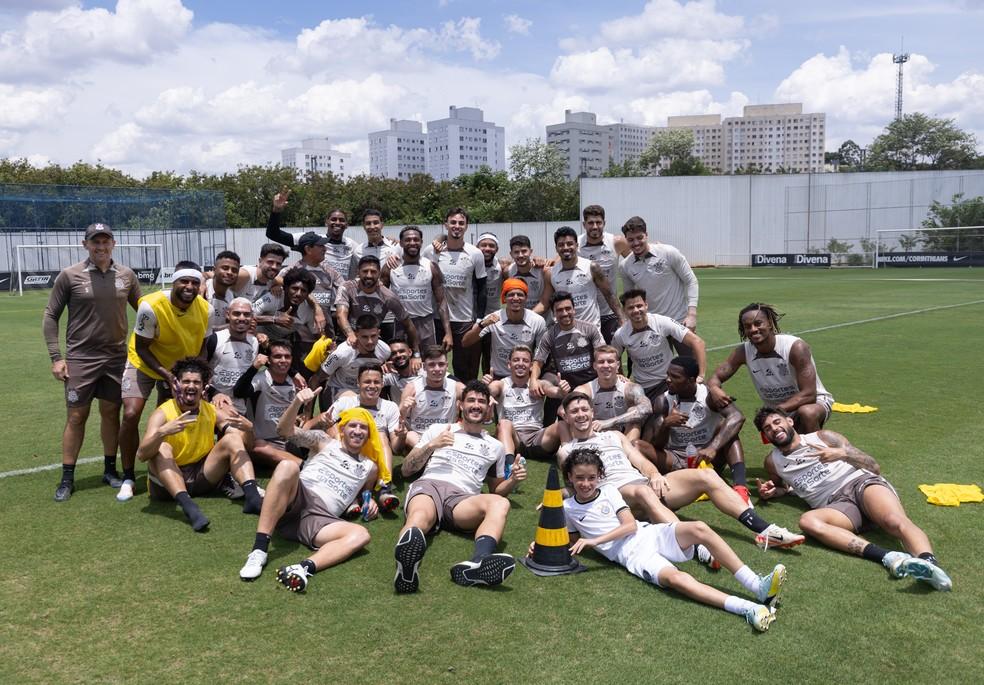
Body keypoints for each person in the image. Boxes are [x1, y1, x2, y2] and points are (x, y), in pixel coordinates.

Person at [549, 448, 786, 632]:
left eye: (592, 477)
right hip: (633, 556)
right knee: (677, 579)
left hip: (647, 533)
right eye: (580, 478)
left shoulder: (610, 491)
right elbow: (569, 540)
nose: (586, 483)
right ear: (569, 477)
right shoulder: (567, 508)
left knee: (699, 529)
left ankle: (757, 586)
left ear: (599, 476)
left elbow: (630, 525)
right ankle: (749, 609)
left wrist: (594, 541)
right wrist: (541, 546)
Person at [559, 393, 805, 549]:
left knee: (707, 475)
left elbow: (640, 461)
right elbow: (576, 487)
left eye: (584, 409)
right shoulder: (566, 450)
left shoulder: (613, 435)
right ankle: (698, 548)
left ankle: (765, 530)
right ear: (566, 417)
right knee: (641, 491)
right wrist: (559, 496)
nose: (581, 415)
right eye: (574, 411)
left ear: (593, 412)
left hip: (646, 485)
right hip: (620, 500)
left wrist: (655, 475)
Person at [754, 407, 952, 590]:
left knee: (893, 521)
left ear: (790, 421)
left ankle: (929, 564)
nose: (774, 429)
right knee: (808, 521)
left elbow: (873, 466)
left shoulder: (824, 437)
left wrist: (842, 453)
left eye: (777, 422)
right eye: (768, 428)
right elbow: (784, 487)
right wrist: (772, 492)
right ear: (766, 435)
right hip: (836, 505)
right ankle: (889, 557)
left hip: (860, 483)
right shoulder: (773, 462)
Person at [238, 387, 380, 591]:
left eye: (363, 428)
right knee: (288, 466)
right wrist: (297, 402)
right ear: (343, 429)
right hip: (299, 495)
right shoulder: (324, 441)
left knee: (361, 535)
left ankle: (302, 568)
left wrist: (370, 499)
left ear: (369, 435)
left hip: (320, 519)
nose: (358, 431)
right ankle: (259, 550)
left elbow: (365, 493)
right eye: (353, 425)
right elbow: (284, 432)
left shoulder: (369, 467)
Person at [394, 380, 526, 593]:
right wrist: (431, 446)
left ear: (488, 408)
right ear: (460, 406)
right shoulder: (439, 429)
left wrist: (513, 481)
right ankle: (407, 568)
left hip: (463, 499)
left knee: (500, 503)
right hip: (430, 486)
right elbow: (408, 469)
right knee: (419, 517)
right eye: (471, 400)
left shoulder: (495, 447)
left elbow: (496, 490)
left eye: (481, 402)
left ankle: (478, 563)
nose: (476, 405)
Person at [43, 223, 142, 501]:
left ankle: (110, 470)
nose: (101, 247)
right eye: (95, 242)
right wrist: (56, 357)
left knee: (111, 413)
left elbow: (145, 311)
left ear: (114, 243)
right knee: (76, 416)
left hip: (116, 358)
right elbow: (51, 316)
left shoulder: (126, 276)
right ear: (85, 244)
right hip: (81, 358)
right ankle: (67, 478)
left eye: (105, 242)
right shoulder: (70, 275)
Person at [119, 261, 210, 502]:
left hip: (179, 368)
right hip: (144, 362)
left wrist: (197, 377)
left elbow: (202, 346)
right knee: (131, 413)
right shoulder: (150, 305)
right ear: (173, 283)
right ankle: (128, 476)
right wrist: (167, 376)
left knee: (175, 420)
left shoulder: (205, 309)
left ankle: (168, 471)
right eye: (184, 281)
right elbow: (142, 347)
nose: (189, 287)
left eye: (194, 282)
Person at [136, 358, 262, 531]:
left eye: (196, 382)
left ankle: (253, 499)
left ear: (204, 387)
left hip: (201, 478)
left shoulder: (211, 410)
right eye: (186, 381)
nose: (191, 386)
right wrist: (163, 432)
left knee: (232, 439)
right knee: (162, 447)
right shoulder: (162, 413)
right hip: (165, 486)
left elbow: (244, 446)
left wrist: (249, 430)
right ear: (177, 384)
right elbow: (142, 455)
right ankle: (190, 508)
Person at [708, 303, 834, 433]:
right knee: (788, 450)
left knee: (807, 413)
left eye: (758, 323)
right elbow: (716, 377)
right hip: (778, 410)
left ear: (770, 324)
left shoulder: (795, 347)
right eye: (747, 326)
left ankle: (815, 450)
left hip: (812, 403)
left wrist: (773, 412)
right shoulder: (743, 351)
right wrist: (714, 388)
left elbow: (809, 394)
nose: (753, 329)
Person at [649, 356, 752, 505]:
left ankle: (740, 488)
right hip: (677, 458)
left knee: (730, 432)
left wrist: (712, 447)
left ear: (691, 380)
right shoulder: (662, 401)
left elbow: (737, 417)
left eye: (675, 377)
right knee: (639, 446)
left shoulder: (709, 396)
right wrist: (666, 424)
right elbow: (656, 446)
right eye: (668, 375)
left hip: (706, 458)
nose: (668, 380)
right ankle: (657, 481)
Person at [421, 208, 486, 380]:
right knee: (435, 366)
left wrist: (479, 319)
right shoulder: (430, 251)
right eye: (453, 222)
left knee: (465, 370)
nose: (456, 226)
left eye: (461, 223)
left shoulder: (475, 254)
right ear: (446, 224)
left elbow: (482, 288)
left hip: (464, 320)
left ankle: (467, 404)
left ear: (466, 227)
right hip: (437, 319)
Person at [618, 216, 699, 355]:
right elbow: (630, 298)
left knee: (690, 369)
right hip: (653, 326)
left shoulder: (668, 252)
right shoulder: (625, 266)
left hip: (679, 322)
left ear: (647, 235)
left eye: (640, 237)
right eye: (631, 240)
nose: (636, 243)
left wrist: (691, 314)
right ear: (626, 240)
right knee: (659, 373)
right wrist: (627, 321)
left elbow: (691, 281)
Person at [612, 289, 707, 407]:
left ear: (646, 305)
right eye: (631, 308)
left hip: (668, 381)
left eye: (639, 306)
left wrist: (701, 375)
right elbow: (612, 356)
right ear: (624, 311)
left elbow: (698, 342)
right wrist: (618, 374)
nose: (636, 310)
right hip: (644, 386)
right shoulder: (621, 334)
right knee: (649, 420)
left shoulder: (662, 322)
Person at [324, 365, 401, 508]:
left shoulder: (390, 407)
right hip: (349, 455)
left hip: (375, 457)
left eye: (377, 382)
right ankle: (353, 496)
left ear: (382, 383)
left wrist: (401, 436)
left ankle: (385, 488)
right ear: (358, 383)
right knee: (334, 429)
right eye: (367, 382)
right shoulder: (346, 402)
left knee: (382, 435)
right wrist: (330, 426)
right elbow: (327, 424)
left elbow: (396, 447)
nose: (372, 386)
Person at [489, 345, 569, 462]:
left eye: (525, 361)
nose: (520, 363)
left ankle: (571, 462)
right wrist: (486, 391)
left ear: (531, 366)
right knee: (504, 423)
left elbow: (554, 391)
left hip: (537, 437)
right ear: (509, 364)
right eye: (516, 360)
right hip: (513, 438)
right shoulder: (501, 384)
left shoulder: (538, 384)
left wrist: (562, 390)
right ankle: (509, 466)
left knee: (562, 425)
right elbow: (491, 389)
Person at [535, 226, 621, 330]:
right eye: (561, 245)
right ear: (556, 248)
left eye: (570, 244)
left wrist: (622, 319)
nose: (566, 247)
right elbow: (545, 303)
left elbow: (609, 295)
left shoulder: (592, 267)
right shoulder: (551, 273)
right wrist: (527, 315)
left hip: (591, 330)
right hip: (564, 330)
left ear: (577, 245)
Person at [381, 225, 452, 351]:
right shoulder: (390, 267)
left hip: (426, 325)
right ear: (401, 243)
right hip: (400, 324)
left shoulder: (431, 267)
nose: (412, 243)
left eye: (416, 239)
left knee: (428, 365)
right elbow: (381, 299)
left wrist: (448, 332)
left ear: (421, 242)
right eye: (408, 240)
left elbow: (441, 301)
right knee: (402, 365)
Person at [461, 278, 546, 380]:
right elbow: (465, 342)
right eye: (510, 295)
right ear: (504, 298)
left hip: (524, 376)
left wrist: (533, 378)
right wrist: (482, 325)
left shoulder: (537, 321)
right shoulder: (493, 318)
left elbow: (541, 353)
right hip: (498, 376)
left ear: (526, 298)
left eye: (520, 294)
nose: (515, 298)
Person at [233, 341, 301, 466]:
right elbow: (238, 392)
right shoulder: (260, 379)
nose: (283, 360)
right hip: (263, 442)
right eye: (277, 356)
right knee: (260, 448)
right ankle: (302, 465)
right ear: (268, 360)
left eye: (287, 357)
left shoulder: (295, 381)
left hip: (288, 439)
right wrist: (254, 367)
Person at [265, 189, 359, 279]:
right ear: (326, 222)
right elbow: (273, 234)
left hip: (339, 293)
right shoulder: (314, 240)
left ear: (347, 225)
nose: (337, 222)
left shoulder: (352, 245)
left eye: (342, 220)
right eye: (333, 219)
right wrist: (276, 210)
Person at [336, 255, 419, 355]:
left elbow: (409, 324)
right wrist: (350, 334)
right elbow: (341, 315)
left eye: (373, 272)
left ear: (379, 273)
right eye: (365, 271)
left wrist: (416, 354)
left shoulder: (388, 296)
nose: (369, 275)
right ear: (358, 272)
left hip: (372, 341)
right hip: (348, 338)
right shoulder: (347, 287)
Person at [572, 345, 652, 443]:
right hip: (595, 434)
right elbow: (565, 410)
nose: (606, 365)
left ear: (618, 365)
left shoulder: (630, 388)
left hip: (623, 436)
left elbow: (646, 408)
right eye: (601, 362)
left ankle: (626, 453)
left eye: (610, 361)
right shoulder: (585, 389)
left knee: (634, 416)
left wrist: (609, 422)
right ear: (594, 366)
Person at [531, 291, 605, 393]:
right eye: (560, 310)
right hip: (566, 387)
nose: (565, 313)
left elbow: (603, 354)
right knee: (545, 386)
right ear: (554, 313)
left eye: (568, 308)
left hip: (591, 383)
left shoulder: (589, 329)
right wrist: (533, 380)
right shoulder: (549, 336)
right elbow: (538, 361)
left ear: (574, 310)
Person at [252, 266, 321, 375]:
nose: (298, 293)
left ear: (308, 294)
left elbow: (319, 336)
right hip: (253, 340)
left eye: (303, 291)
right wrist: (275, 319)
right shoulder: (273, 297)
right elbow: (246, 318)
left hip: (276, 348)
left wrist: (328, 345)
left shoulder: (307, 311)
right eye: (294, 288)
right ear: (286, 288)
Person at [577, 205, 629, 342]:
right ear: (584, 225)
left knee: (611, 356)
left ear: (604, 223)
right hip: (585, 314)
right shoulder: (575, 245)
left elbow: (638, 256)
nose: (595, 226)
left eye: (598, 222)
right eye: (590, 223)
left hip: (610, 312)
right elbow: (555, 262)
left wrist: (656, 247)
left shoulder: (616, 242)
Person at [398, 345, 464, 451]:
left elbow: (475, 398)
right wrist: (404, 408)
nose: (437, 369)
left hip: (445, 436)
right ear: (424, 367)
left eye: (441, 364)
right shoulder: (412, 387)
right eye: (432, 365)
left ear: (447, 366)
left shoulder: (456, 386)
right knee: (410, 436)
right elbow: (400, 418)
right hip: (420, 438)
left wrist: (487, 396)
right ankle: (427, 454)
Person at [203, 297, 259, 415]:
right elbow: (200, 371)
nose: (242, 318)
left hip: (239, 405)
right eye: (237, 314)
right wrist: (214, 392)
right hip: (214, 401)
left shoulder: (254, 342)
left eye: (246, 314)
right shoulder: (215, 339)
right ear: (228, 315)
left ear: (252, 317)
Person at [317, 314, 391, 396]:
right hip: (340, 390)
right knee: (351, 399)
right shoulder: (341, 353)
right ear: (356, 335)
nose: (370, 341)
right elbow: (317, 378)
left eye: (373, 336)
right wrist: (308, 408)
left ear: (379, 333)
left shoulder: (385, 351)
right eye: (364, 337)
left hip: (366, 391)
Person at [476, 232, 503, 376]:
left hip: (493, 320)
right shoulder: (471, 263)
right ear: (477, 247)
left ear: (497, 249)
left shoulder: (501, 266)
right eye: (483, 245)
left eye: (491, 245)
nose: (487, 248)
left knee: (490, 360)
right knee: (471, 359)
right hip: (473, 319)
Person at [503, 235, 545, 311]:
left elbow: (545, 302)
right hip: (519, 320)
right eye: (516, 252)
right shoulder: (508, 272)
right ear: (511, 254)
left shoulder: (543, 270)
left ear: (531, 251)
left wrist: (529, 318)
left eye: (524, 251)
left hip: (543, 320)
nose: (520, 255)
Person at [204, 250, 241, 333]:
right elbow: (199, 328)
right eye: (225, 268)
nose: (230, 272)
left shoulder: (231, 297)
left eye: (234, 270)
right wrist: (231, 326)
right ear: (214, 270)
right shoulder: (202, 290)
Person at [382, 337, 417, 402]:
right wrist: (379, 369)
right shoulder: (390, 377)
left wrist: (418, 357)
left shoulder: (424, 371)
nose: (398, 355)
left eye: (401, 351)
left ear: (409, 352)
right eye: (393, 353)